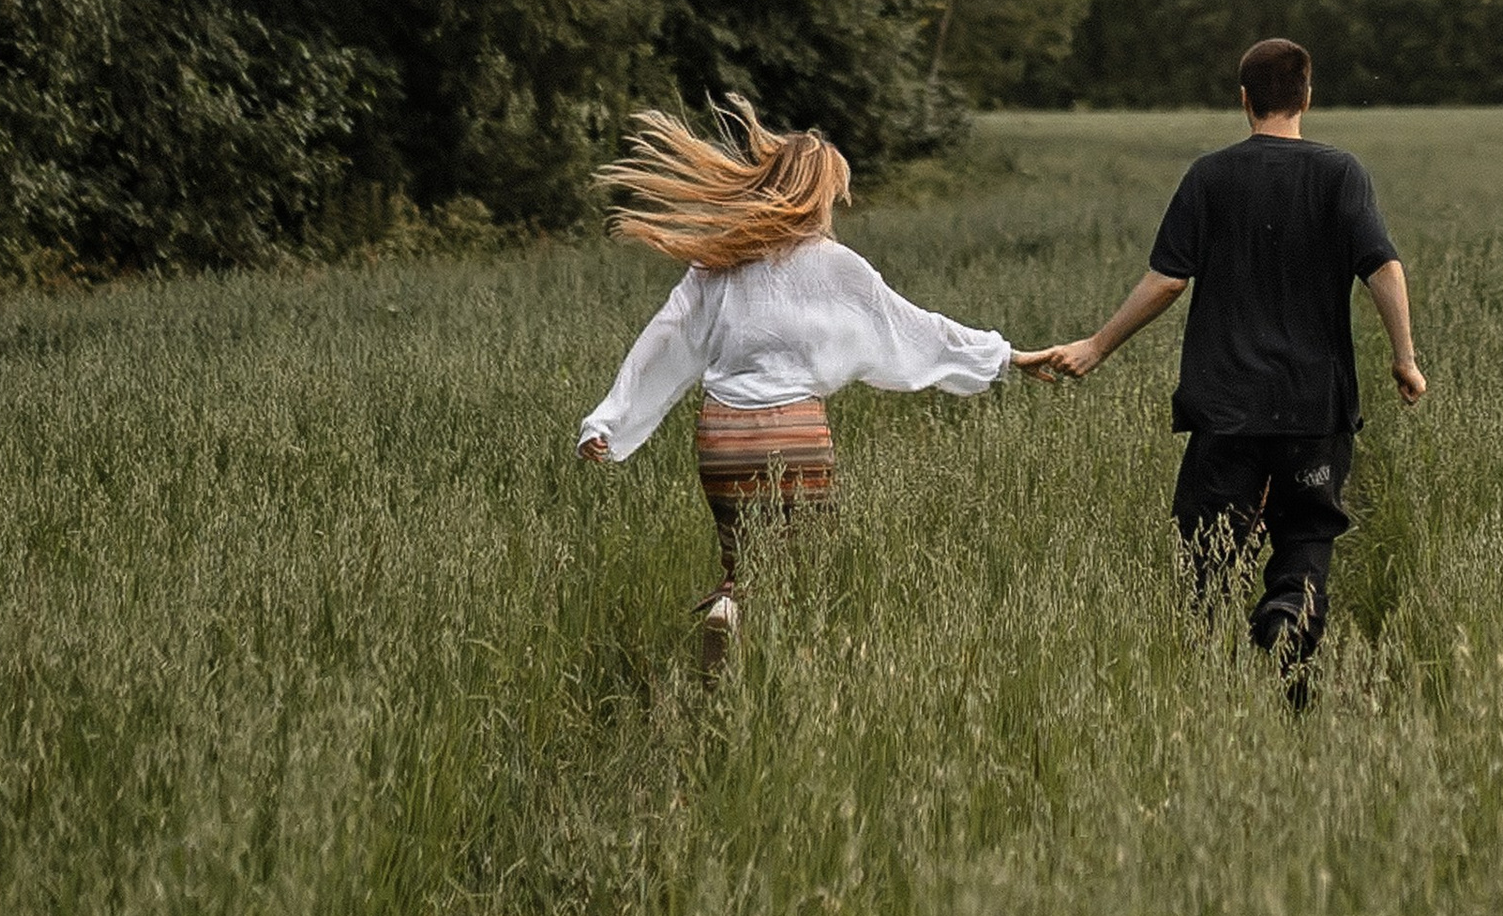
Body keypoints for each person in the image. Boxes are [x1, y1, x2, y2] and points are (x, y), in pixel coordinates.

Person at [577, 97, 1046, 667]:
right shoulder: (836, 265)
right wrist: (1007, 356)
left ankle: (729, 610)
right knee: (802, 569)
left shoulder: (718, 260)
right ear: (818, 192)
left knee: (742, 564)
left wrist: (607, 422)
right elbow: (918, 329)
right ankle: (803, 674)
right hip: (797, 435)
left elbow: (663, 339)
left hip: (722, 438)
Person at [1031, 37, 1424, 687]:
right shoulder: (1340, 172)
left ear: (1243, 100)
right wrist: (1404, 358)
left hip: (1227, 412)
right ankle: (1288, 620)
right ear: (1307, 95)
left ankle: (1210, 689)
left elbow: (1166, 281)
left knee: (1208, 565)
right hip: (1313, 412)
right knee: (1304, 543)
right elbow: (1382, 266)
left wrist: (1096, 346)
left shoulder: (1208, 176)